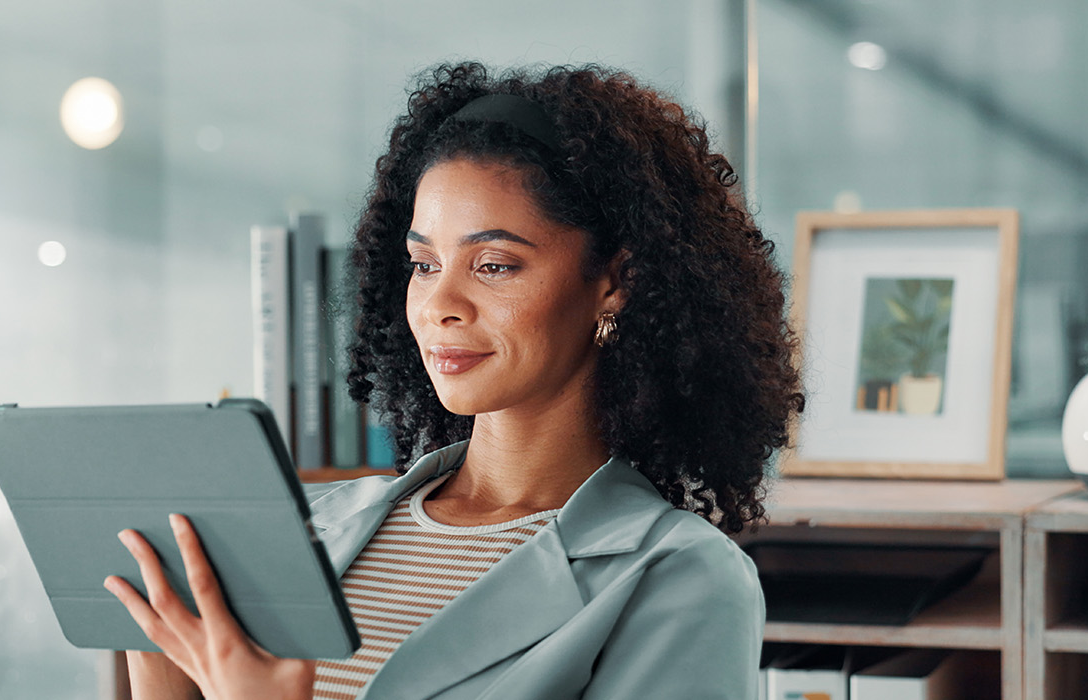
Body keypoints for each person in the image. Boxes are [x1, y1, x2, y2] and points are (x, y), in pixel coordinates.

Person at [105, 61, 803, 700]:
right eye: (424, 264)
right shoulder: (309, 531)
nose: (440, 304)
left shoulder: (679, 577)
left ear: (615, 281)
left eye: (494, 265)